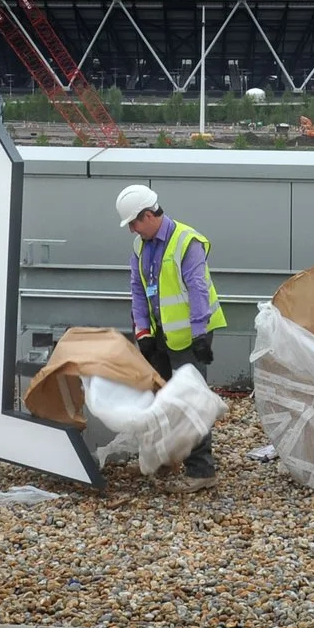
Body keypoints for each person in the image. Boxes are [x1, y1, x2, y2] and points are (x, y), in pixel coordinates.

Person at [115, 184, 224, 493]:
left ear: (149, 215)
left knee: (191, 402)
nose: (132, 230)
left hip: (191, 335)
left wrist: (201, 335)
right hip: (160, 333)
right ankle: (167, 456)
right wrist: (143, 332)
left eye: (135, 223)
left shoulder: (187, 242)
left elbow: (198, 290)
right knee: (161, 396)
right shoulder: (140, 246)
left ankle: (201, 470)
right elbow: (137, 290)